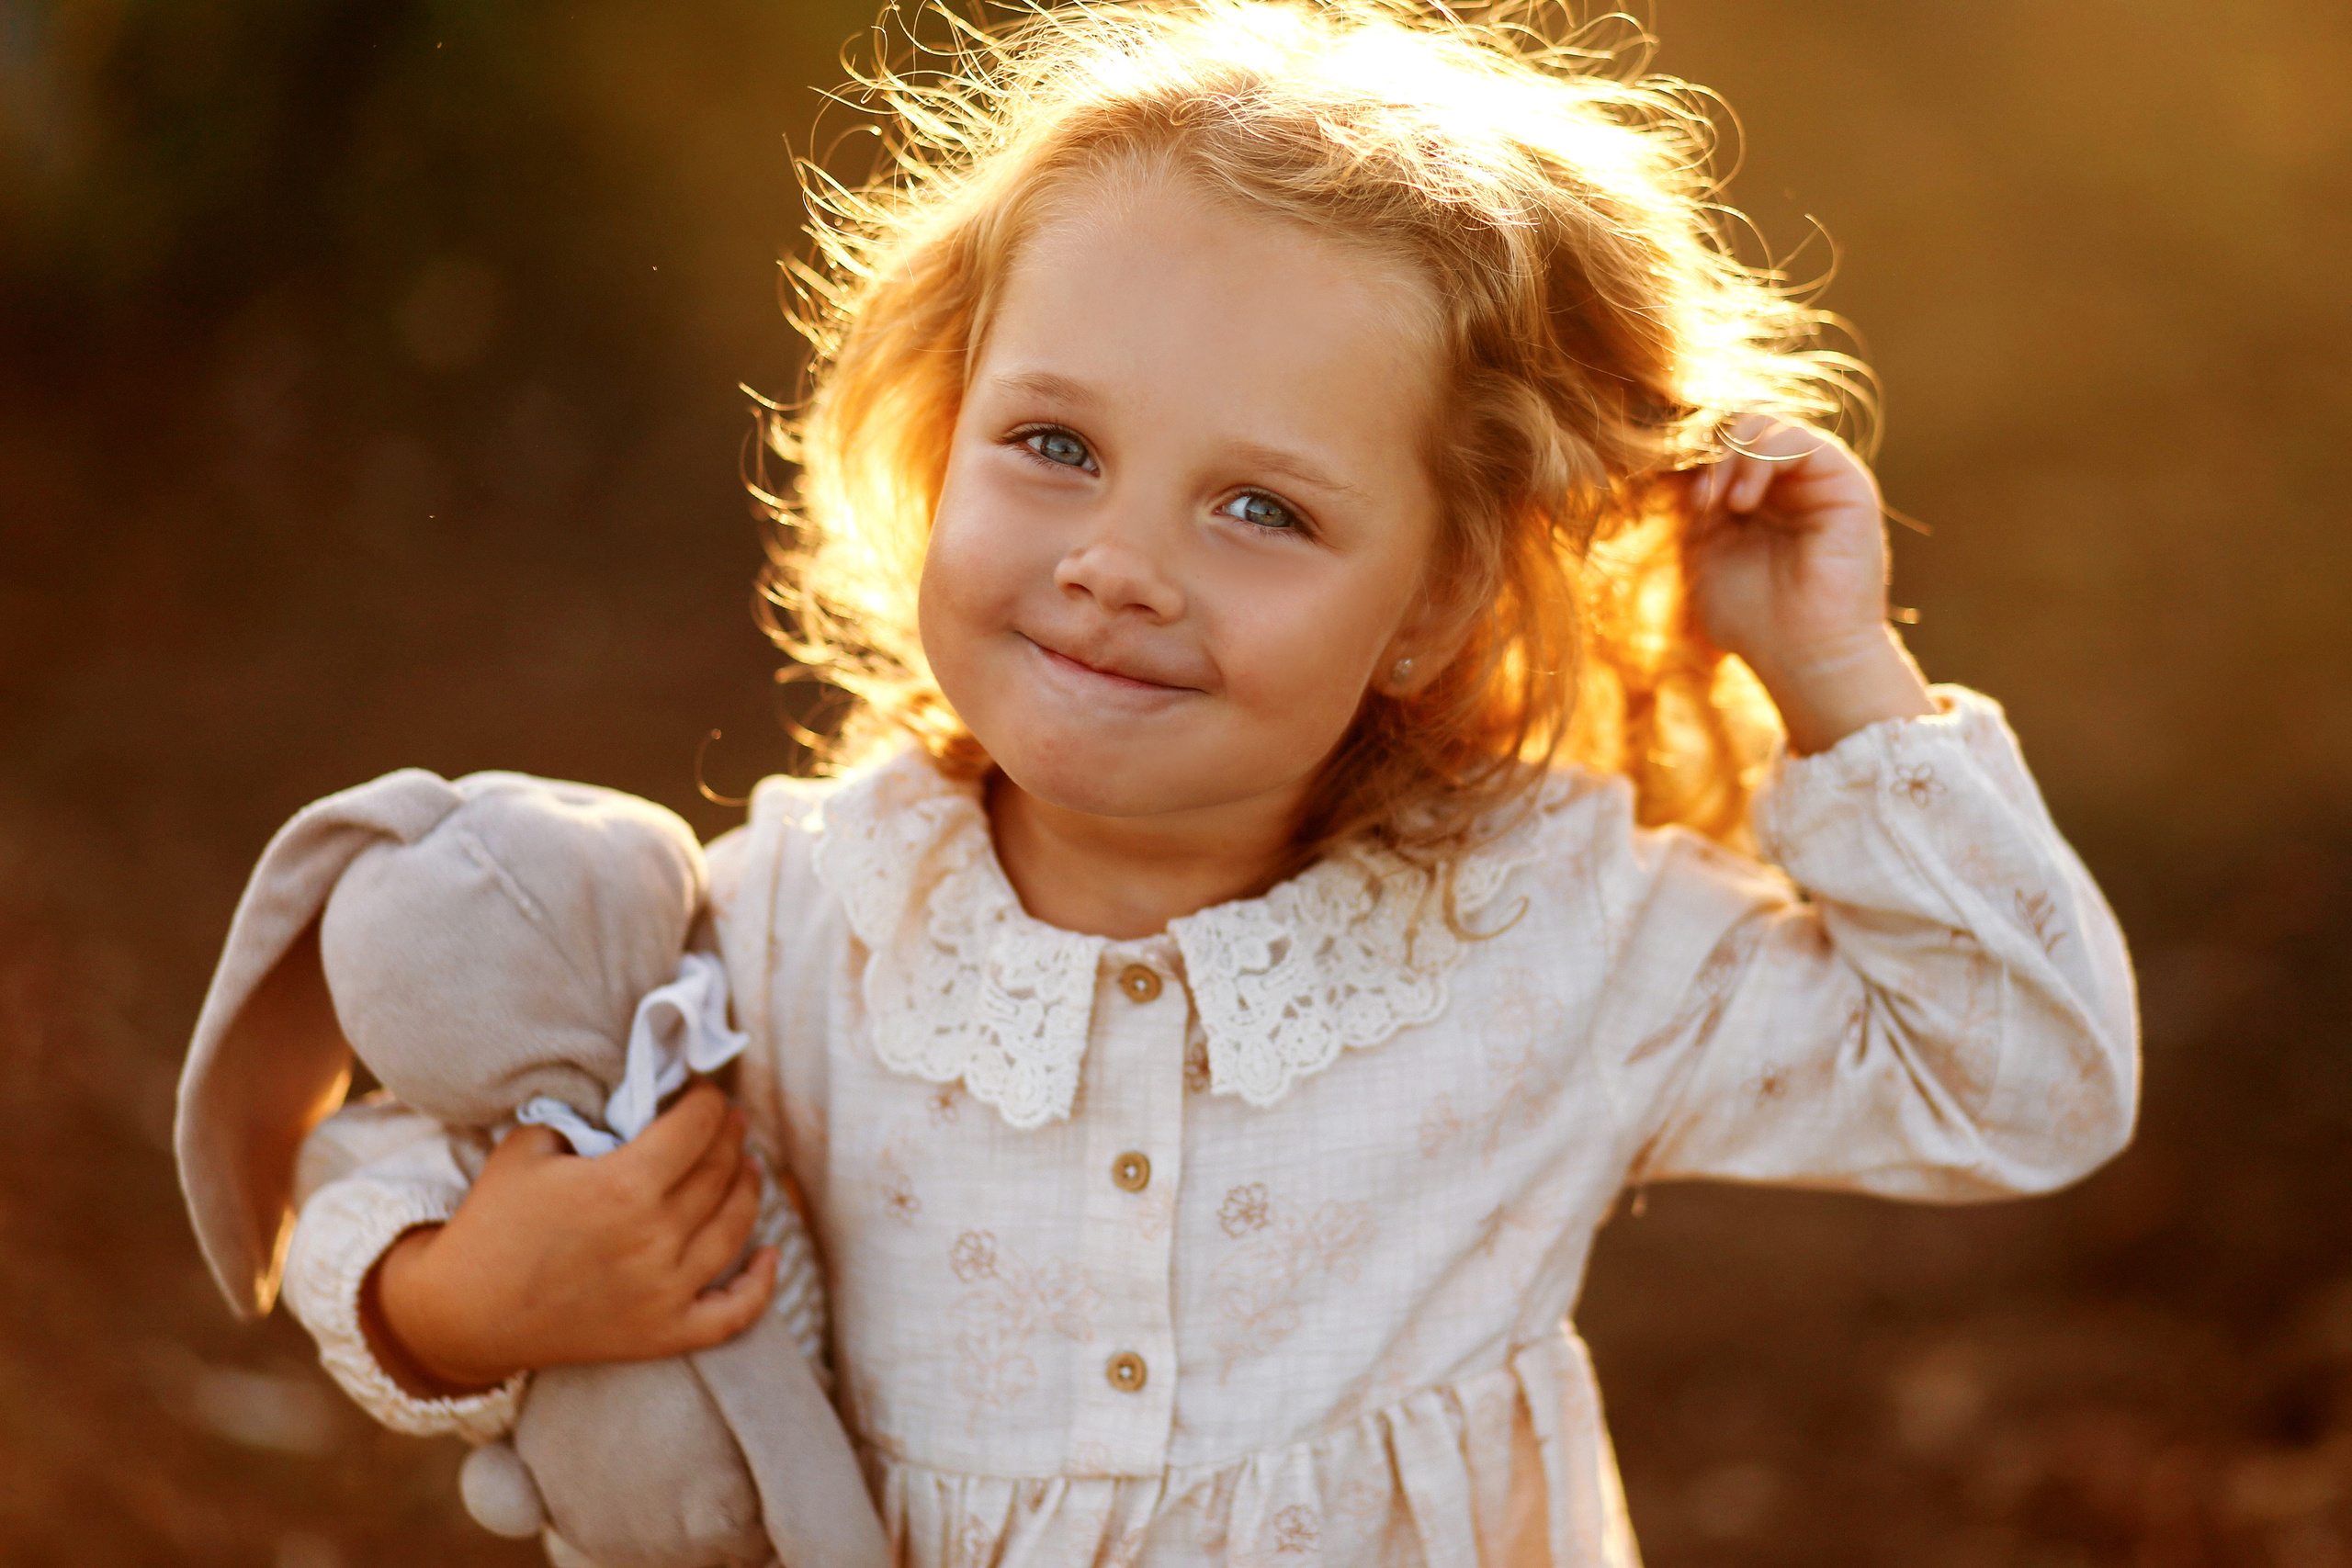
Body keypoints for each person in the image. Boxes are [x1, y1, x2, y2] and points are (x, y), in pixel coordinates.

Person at [277, 2, 2139, 1561]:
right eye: (1053, 444)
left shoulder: (1537, 926)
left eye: (1260, 506)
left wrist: (1825, 665)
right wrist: (463, 1298)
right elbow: (378, 1167)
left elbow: (2022, 1079)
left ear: (1431, 601)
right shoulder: (798, 925)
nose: (1117, 560)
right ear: (935, 452)